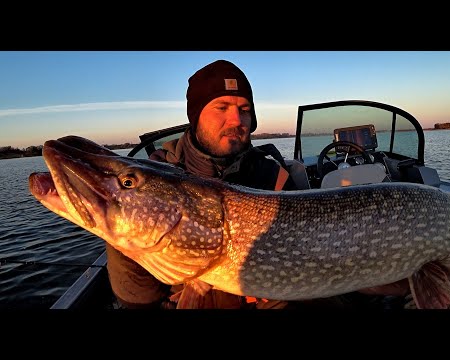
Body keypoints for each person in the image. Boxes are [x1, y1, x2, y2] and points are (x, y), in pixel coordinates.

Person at [105, 59, 403, 309]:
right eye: (221, 107)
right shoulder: (160, 174)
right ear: (195, 118)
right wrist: (120, 236)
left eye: (244, 109)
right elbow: (137, 300)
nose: (236, 119)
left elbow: (304, 263)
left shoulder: (274, 177)